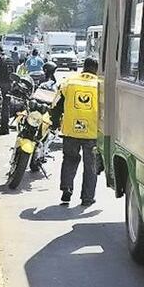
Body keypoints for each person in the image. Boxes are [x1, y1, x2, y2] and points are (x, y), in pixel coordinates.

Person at [51, 57, 100, 206]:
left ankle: (66, 189)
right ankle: (87, 198)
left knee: (69, 160)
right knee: (90, 166)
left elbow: (56, 104)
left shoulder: (69, 82)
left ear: (83, 67)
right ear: (96, 69)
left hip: (70, 130)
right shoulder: (100, 85)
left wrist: (54, 122)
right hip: (91, 133)